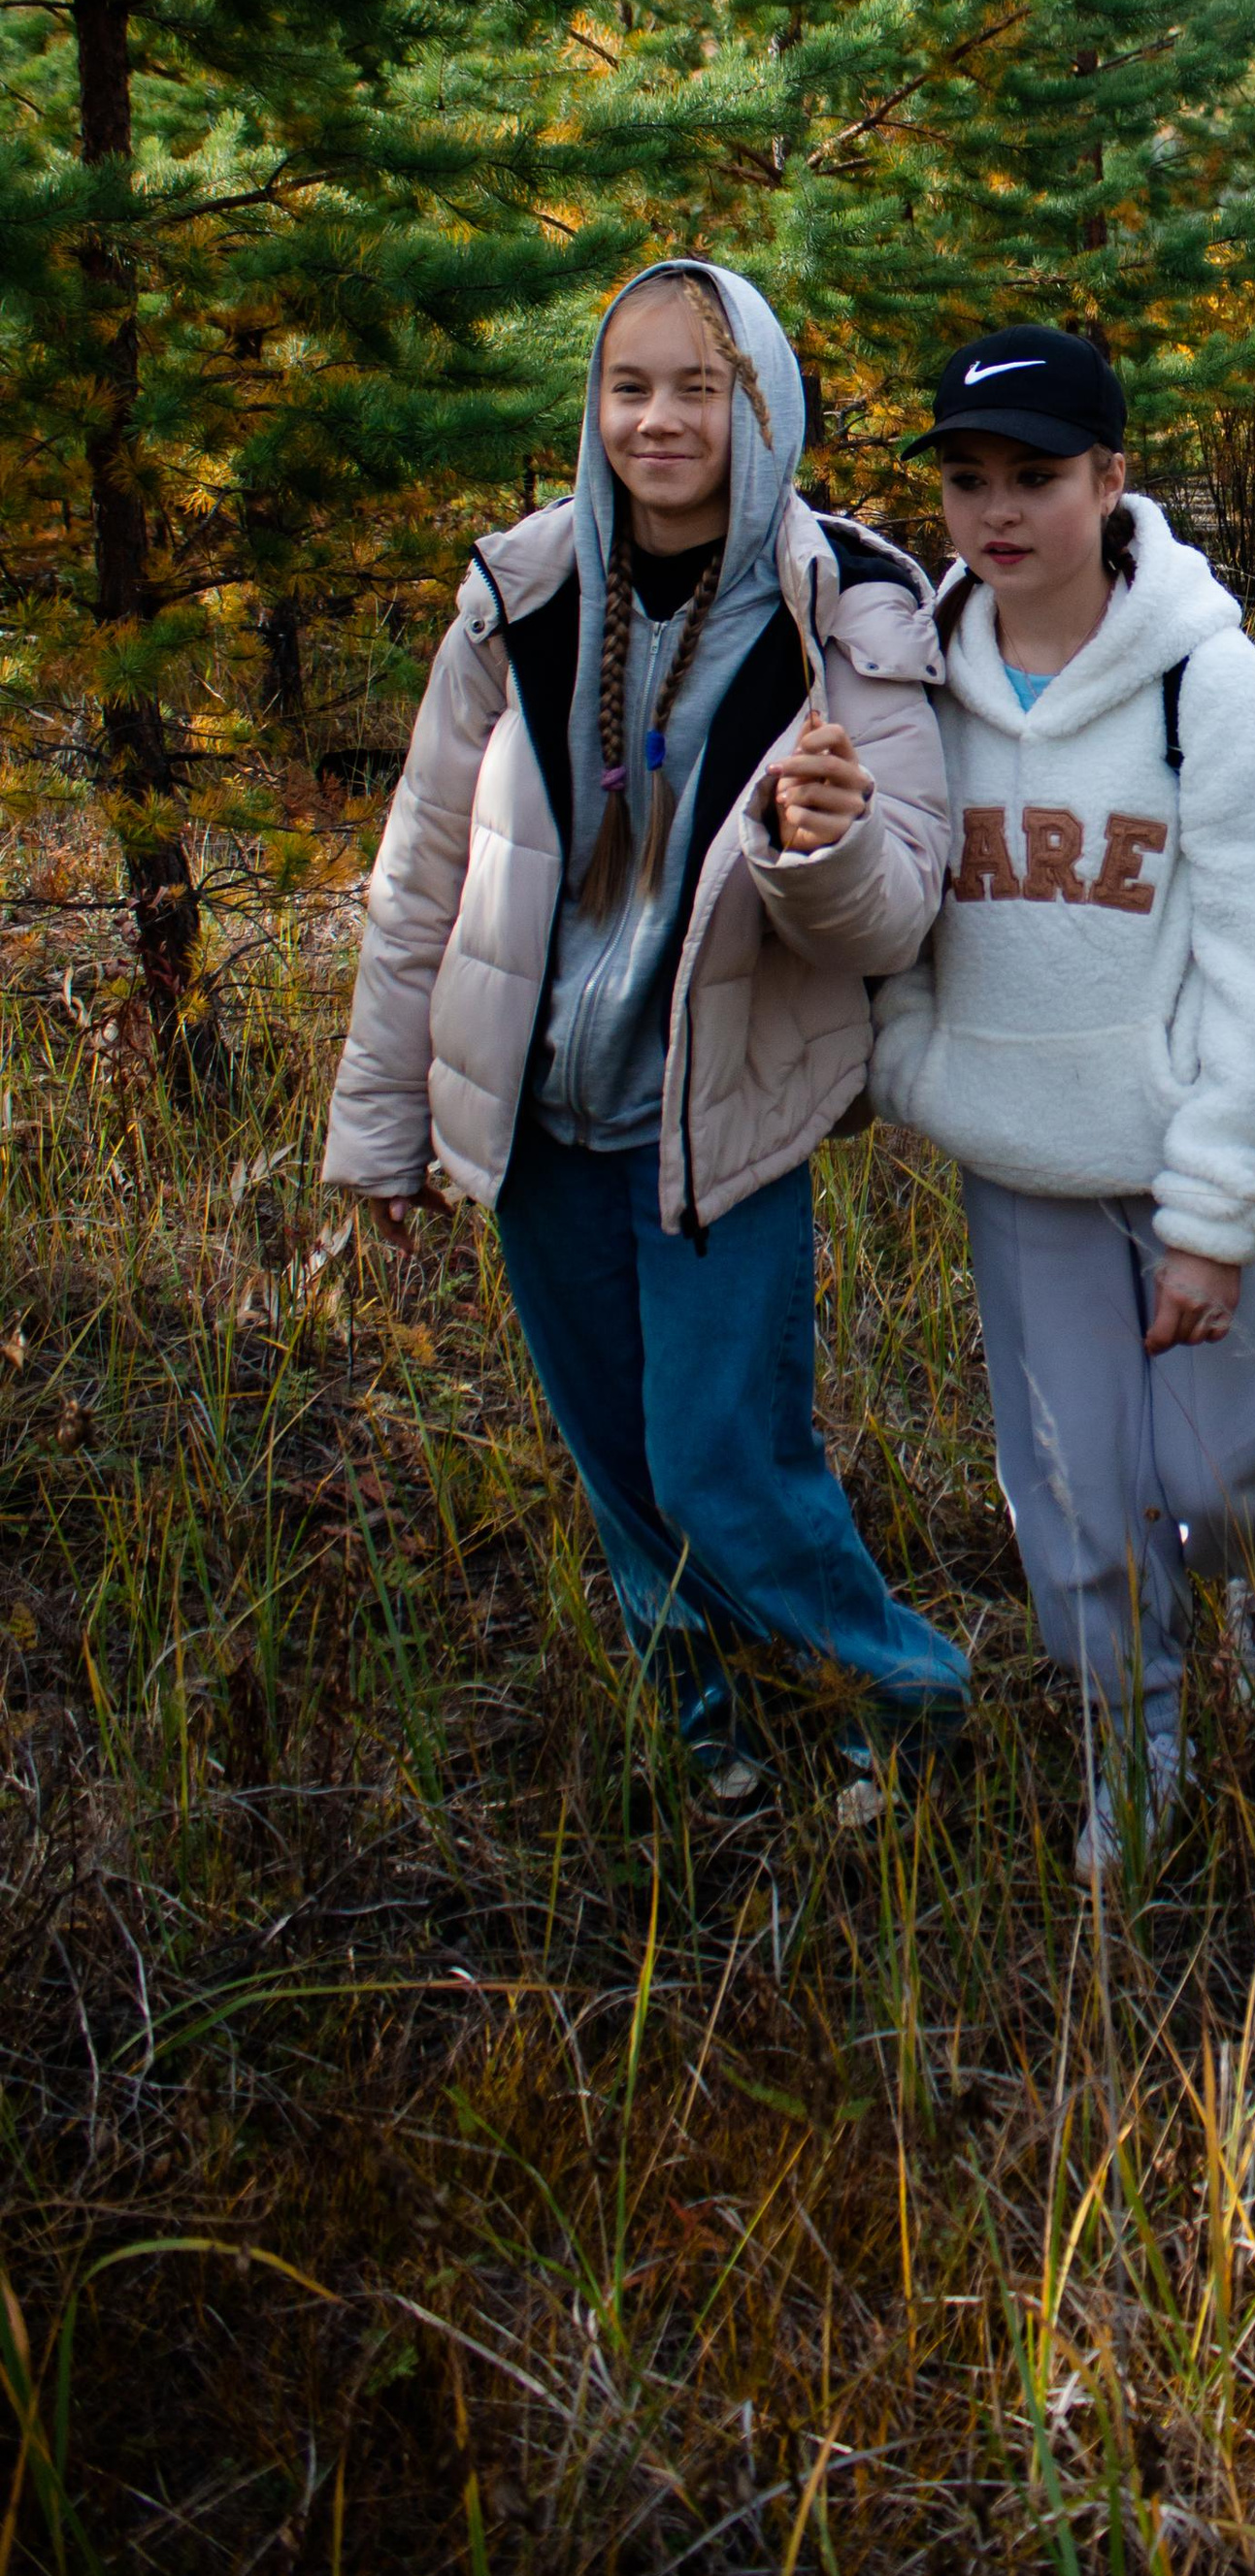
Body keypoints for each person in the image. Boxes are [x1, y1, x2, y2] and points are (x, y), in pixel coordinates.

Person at [322, 259, 970, 1802]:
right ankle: (716, 1729)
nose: (659, 418)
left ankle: (903, 1705)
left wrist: (827, 847)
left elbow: (899, 910)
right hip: (540, 1114)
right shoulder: (521, 591)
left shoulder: (846, 603)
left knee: (718, 1466)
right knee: (622, 1469)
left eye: (701, 386)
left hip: (716, 1116)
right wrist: (385, 1124)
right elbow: (422, 874)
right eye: (630, 387)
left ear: (766, 403)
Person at [869, 325, 1255, 1882]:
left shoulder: (1214, 687)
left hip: (1199, 1163)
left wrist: (1213, 1217)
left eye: (1040, 477)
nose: (1001, 512)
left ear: (1112, 481)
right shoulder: (907, 684)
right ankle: (1131, 1748)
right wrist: (925, 1067)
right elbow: (890, 910)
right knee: (1073, 1496)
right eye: (970, 479)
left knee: (1211, 1473)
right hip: (1025, 1166)